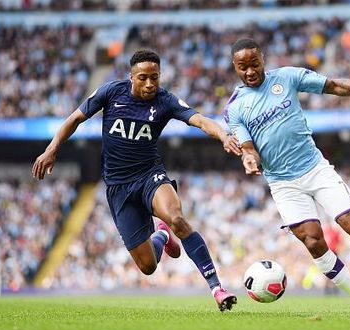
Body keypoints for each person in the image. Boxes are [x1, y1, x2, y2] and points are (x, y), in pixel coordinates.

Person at [32, 50, 241, 311]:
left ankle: (217, 288)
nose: (150, 84)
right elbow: (75, 119)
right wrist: (52, 149)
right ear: (131, 77)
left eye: (155, 77)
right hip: (119, 187)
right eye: (143, 78)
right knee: (148, 266)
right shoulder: (110, 92)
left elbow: (199, 120)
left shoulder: (165, 100)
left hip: (149, 176)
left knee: (177, 218)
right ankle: (161, 236)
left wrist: (223, 136)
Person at [224, 38, 350, 316]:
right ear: (235, 67)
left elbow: (332, 85)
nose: (249, 72)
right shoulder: (235, 108)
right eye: (242, 67)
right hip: (282, 184)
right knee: (313, 241)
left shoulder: (288, 77)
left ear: (263, 60)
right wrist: (248, 158)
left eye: (254, 64)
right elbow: (248, 147)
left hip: (314, 168)